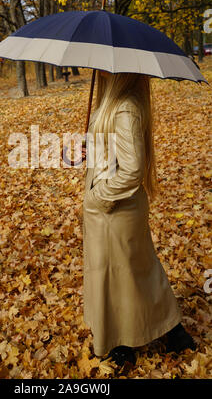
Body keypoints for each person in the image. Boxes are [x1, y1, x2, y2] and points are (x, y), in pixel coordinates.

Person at [82, 70, 196, 366]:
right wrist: (93, 150)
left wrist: (99, 196)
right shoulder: (114, 103)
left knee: (121, 275)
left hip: (115, 209)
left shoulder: (125, 108)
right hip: (112, 209)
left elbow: (132, 169)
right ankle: (174, 332)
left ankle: (124, 341)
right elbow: (115, 156)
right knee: (136, 270)